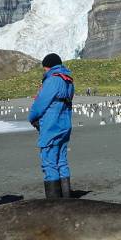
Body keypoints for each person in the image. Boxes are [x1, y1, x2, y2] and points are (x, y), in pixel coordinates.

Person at [29, 53, 75, 198]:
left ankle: (54, 204)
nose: (44, 71)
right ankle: (67, 200)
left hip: (51, 126)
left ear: (48, 66)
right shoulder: (68, 81)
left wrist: (32, 118)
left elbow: (40, 103)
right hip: (64, 125)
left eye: (44, 68)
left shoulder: (52, 80)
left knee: (49, 163)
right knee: (61, 161)